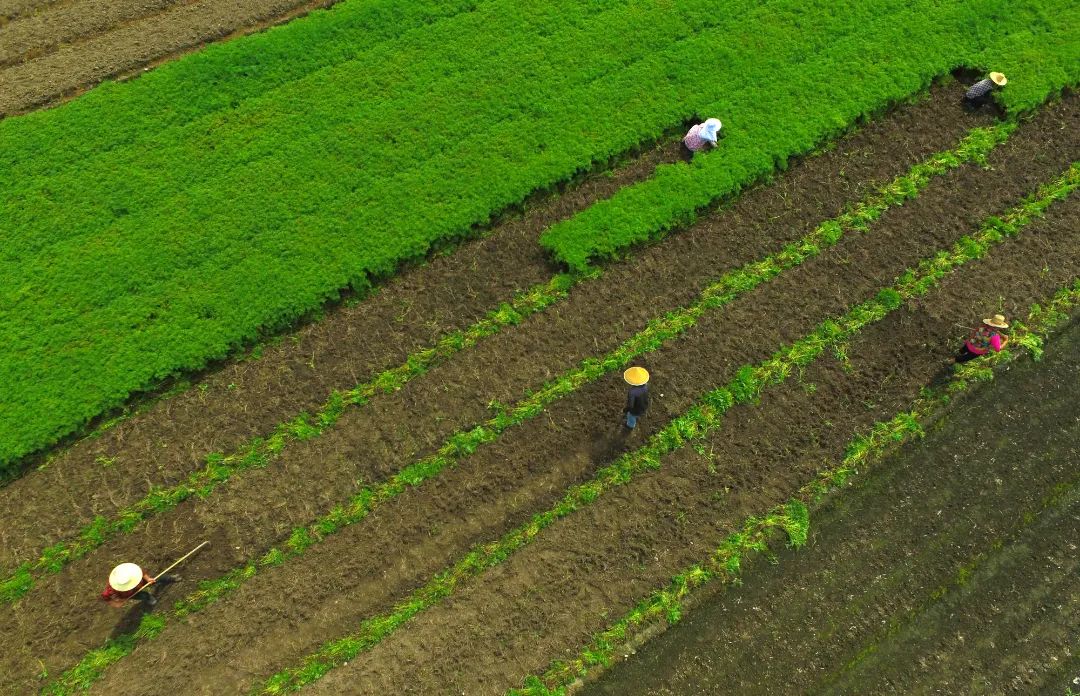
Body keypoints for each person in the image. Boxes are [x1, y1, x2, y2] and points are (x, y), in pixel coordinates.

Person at [101, 563, 180, 608]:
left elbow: (141, 571)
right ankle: (149, 598)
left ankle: (171, 578)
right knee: (143, 595)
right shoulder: (111, 590)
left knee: (156, 579)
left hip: (141, 582)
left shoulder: (132, 572)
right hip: (131, 594)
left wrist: (148, 579)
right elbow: (106, 598)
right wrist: (116, 604)